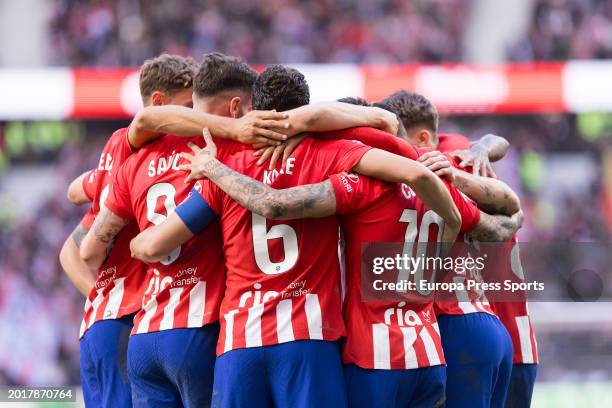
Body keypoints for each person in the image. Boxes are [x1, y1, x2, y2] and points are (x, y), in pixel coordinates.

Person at [129, 64, 462, 408]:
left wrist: (135, 242)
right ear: (304, 109)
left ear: (252, 110)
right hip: (310, 338)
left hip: (240, 339)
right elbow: (388, 127)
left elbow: (153, 245)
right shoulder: (332, 154)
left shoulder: (224, 163)